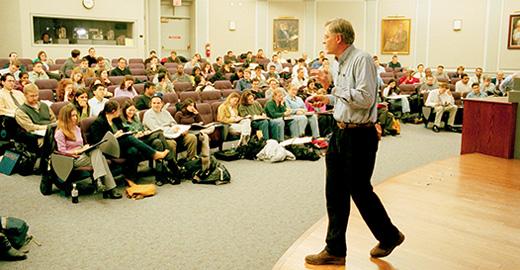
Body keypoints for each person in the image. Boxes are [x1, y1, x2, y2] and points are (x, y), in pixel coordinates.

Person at [305, 19, 404, 266]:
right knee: (334, 192)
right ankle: (335, 249)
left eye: (326, 35)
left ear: (338, 38)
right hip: (340, 133)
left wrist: (335, 90)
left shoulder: (363, 60)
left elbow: (365, 98)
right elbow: (346, 98)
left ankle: (390, 235)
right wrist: (327, 96)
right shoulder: (339, 63)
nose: (323, 40)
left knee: (360, 190)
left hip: (359, 136)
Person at [88, 100, 170, 180]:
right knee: (130, 138)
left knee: (132, 150)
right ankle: (154, 154)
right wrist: (114, 136)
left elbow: (124, 131)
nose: (120, 111)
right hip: (109, 149)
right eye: (118, 109)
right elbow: (97, 141)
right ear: (113, 111)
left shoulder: (116, 120)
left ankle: (131, 177)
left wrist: (127, 133)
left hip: (121, 146)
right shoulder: (98, 123)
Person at [55, 104, 122, 199]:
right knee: (100, 156)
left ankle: (101, 182)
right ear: (66, 117)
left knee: (97, 152)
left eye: (75, 115)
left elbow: (81, 144)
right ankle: (108, 187)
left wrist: (85, 147)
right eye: (72, 116)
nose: (75, 118)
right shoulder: (60, 133)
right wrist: (78, 151)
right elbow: (62, 152)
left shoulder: (77, 129)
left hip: (83, 155)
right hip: (72, 159)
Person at [120, 100, 181, 185]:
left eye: (133, 110)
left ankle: (159, 176)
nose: (132, 112)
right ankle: (174, 166)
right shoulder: (121, 121)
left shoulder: (136, 118)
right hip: (134, 142)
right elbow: (125, 136)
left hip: (143, 139)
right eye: (129, 110)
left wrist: (145, 132)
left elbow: (142, 129)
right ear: (124, 110)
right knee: (159, 133)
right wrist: (136, 135)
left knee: (157, 142)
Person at [142, 93, 198, 160]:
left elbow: (173, 123)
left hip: (174, 134)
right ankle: (174, 165)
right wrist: (172, 130)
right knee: (172, 143)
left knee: (192, 137)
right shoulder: (148, 114)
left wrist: (180, 130)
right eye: (154, 103)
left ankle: (191, 160)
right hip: (161, 137)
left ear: (162, 104)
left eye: (158, 103)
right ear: (151, 104)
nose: (156, 105)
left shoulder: (165, 112)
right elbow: (156, 130)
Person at [14, 84, 56, 154]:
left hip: (51, 132)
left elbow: (53, 119)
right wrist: (48, 128)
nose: (35, 98)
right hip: (35, 135)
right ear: (25, 95)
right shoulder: (21, 111)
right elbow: (30, 127)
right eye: (32, 96)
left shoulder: (44, 105)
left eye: (36, 95)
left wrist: (50, 128)